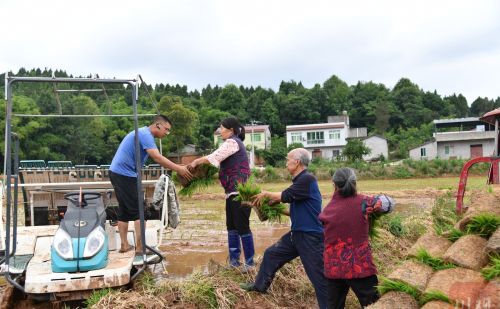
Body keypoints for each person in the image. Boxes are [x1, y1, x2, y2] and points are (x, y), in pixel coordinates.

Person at [240, 148, 328, 309]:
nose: (286, 162)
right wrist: (271, 209)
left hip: (310, 237)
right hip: (298, 234)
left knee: (317, 276)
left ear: (297, 162)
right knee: (272, 254)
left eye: (288, 159)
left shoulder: (307, 179)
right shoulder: (299, 182)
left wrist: (266, 194)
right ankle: (259, 287)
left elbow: (284, 195)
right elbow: (293, 210)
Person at [109, 115, 192, 255]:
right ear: (157, 125)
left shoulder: (142, 133)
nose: (167, 133)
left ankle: (124, 245)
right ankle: (141, 248)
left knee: (124, 210)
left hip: (118, 172)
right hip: (124, 174)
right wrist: (179, 168)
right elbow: (157, 157)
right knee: (140, 211)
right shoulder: (145, 134)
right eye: (166, 129)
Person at [188, 117, 254, 268]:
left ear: (231, 130)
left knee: (242, 227)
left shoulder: (232, 142)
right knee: (231, 226)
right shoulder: (232, 143)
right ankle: (234, 262)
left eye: (222, 128)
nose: (220, 131)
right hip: (232, 193)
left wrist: (197, 161)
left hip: (240, 193)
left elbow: (215, 156)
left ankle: (249, 263)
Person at [318, 167, 382, 309]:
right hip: (360, 267)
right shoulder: (364, 202)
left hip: (334, 268)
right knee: (374, 305)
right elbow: (388, 203)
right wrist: (379, 206)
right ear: (355, 183)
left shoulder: (327, 210)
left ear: (334, 185)